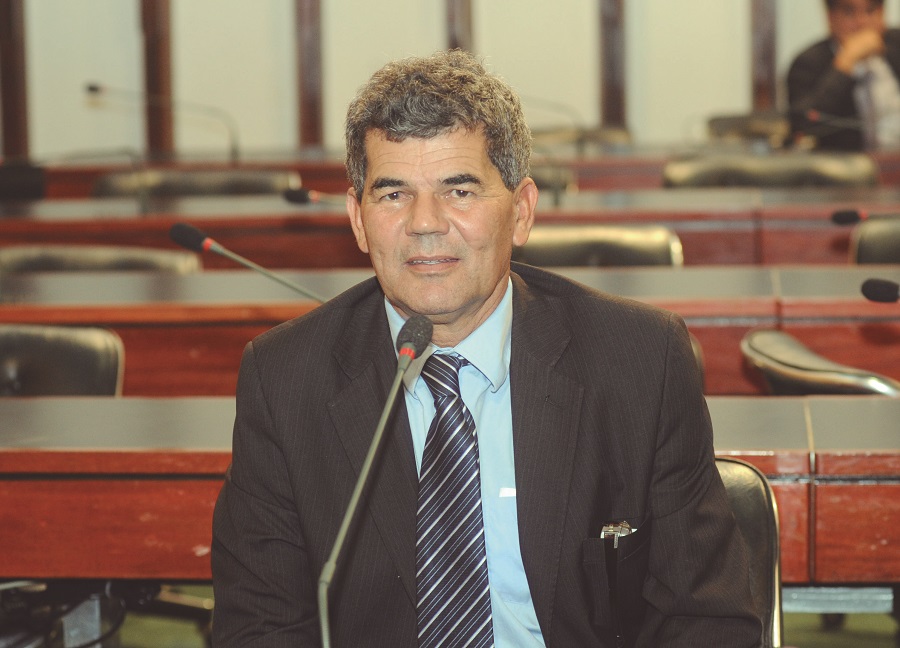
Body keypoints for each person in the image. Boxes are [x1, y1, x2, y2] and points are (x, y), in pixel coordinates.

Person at [211, 49, 762, 647]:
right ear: (358, 219)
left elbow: (706, 618)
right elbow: (260, 627)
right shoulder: (285, 379)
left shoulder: (638, 360)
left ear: (521, 212)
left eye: (460, 191)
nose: (425, 222)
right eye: (393, 194)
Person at [787, 0, 900, 150]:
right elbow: (802, 124)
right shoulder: (808, 63)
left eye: (870, 11)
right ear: (830, 17)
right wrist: (845, 64)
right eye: (849, 12)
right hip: (847, 162)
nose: (862, 22)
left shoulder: (896, 45)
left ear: (882, 14)